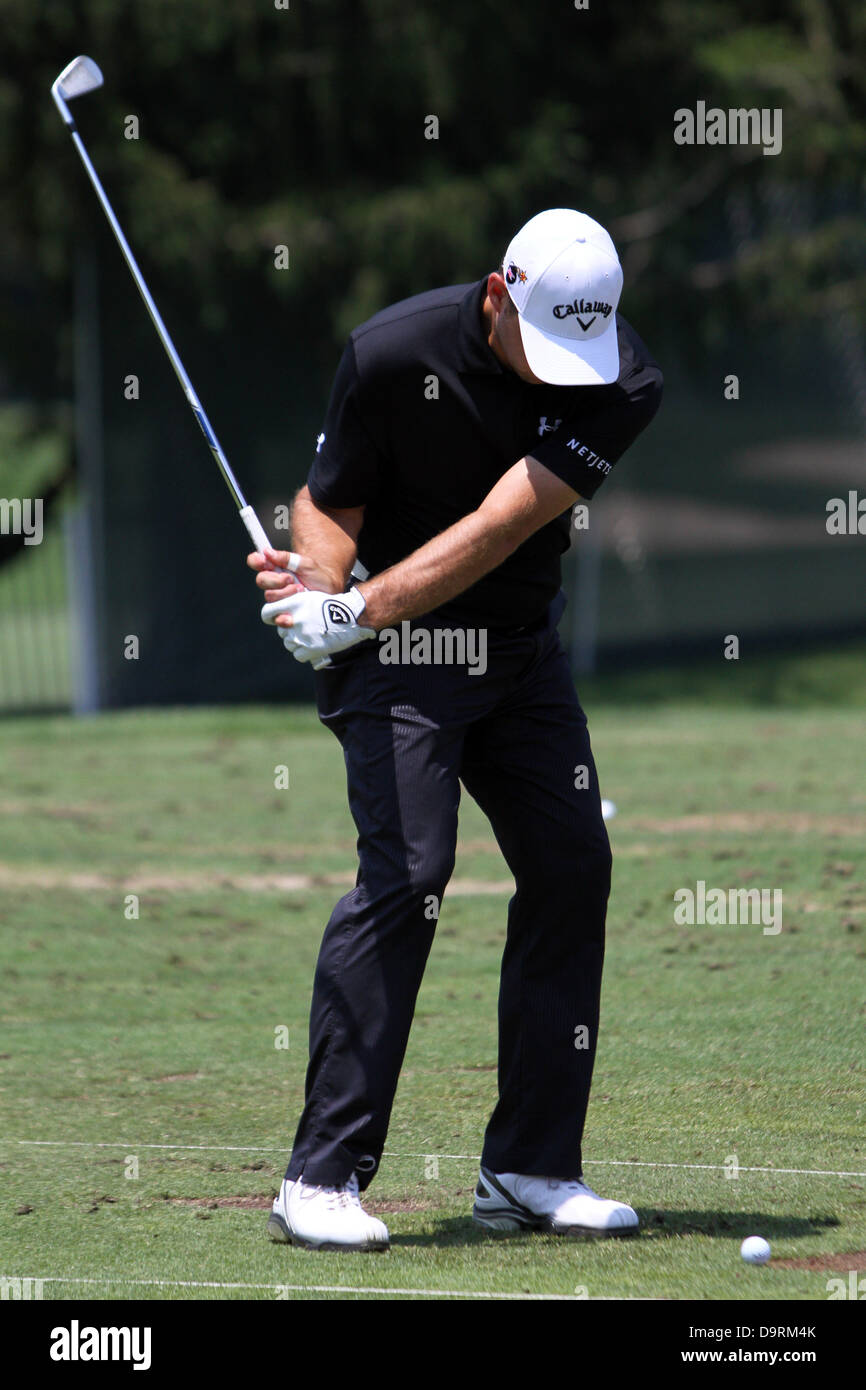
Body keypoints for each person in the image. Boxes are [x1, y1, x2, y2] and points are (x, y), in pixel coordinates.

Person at [249, 208, 663, 1251]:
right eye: (543, 346)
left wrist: (352, 607)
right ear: (494, 297)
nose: (566, 374)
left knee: (571, 867)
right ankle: (319, 1179)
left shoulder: (621, 380)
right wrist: (316, 591)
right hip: (396, 670)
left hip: (516, 652)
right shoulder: (389, 352)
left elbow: (499, 526)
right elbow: (327, 499)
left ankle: (527, 1167)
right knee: (409, 874)